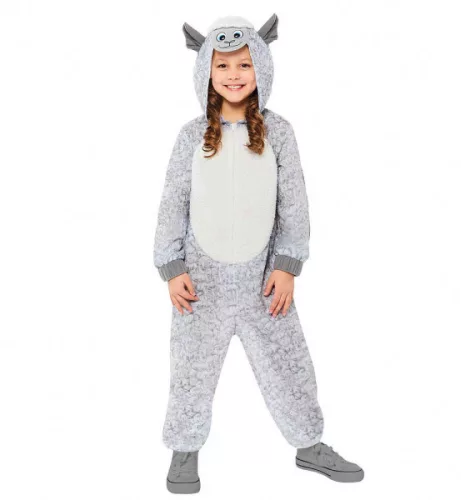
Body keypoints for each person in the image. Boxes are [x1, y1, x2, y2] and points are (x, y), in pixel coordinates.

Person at [153, 14, 364, 494]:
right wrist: (171, 266)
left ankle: (309, 443)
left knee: (289, 363)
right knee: (190, 371)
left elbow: (294, 203)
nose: (234, 74)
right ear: (206, 69)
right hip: (200, 285)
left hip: (263, 281)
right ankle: (184, 449)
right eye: (223, 65)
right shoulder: (190, 136)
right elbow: (172, 203)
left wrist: (288, 265)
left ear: (261, 67)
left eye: (244, 64)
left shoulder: (279, 132)